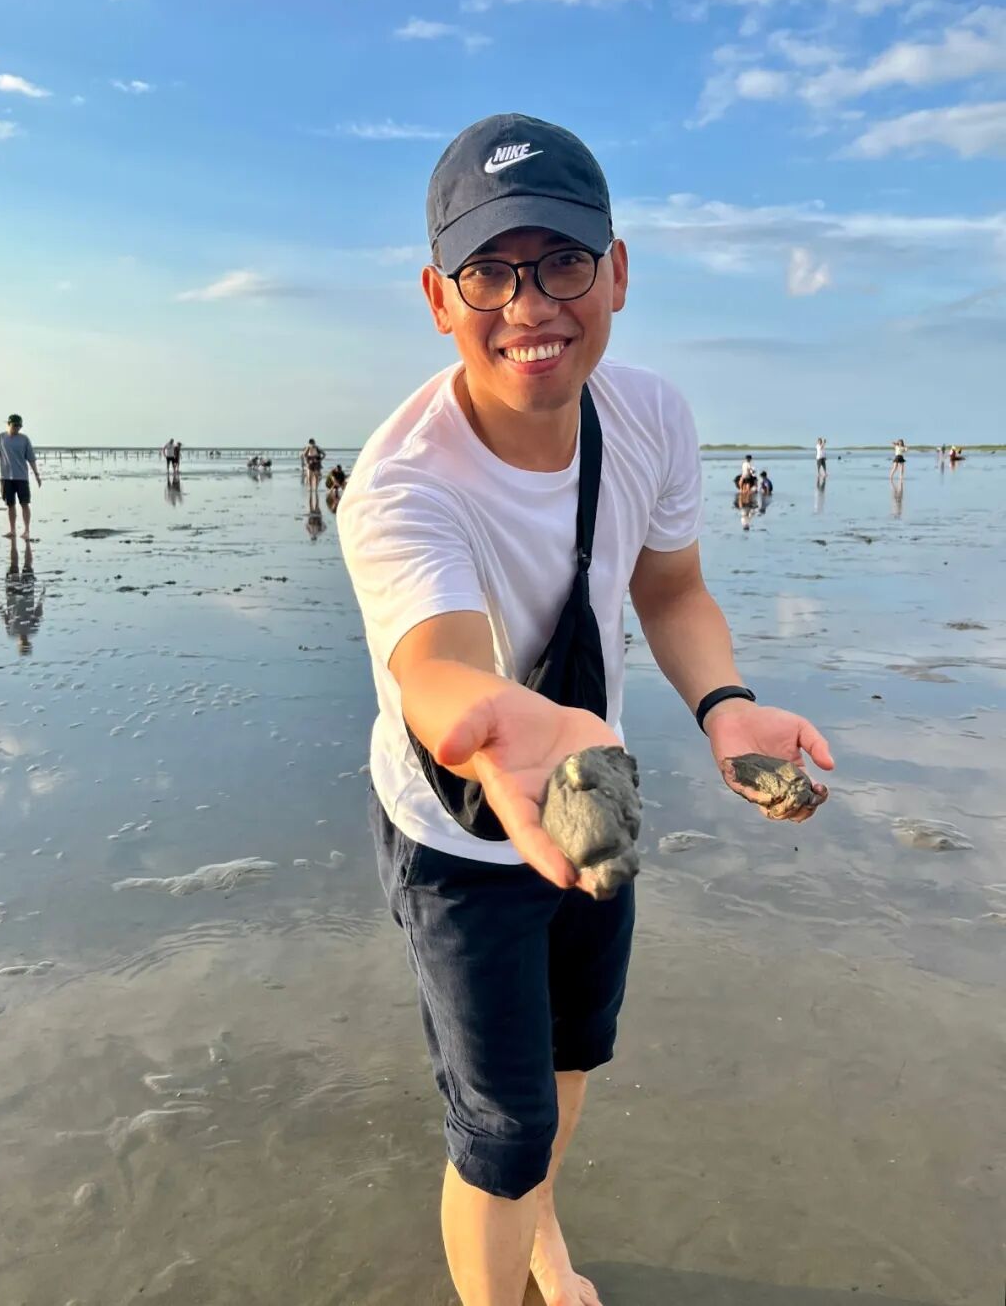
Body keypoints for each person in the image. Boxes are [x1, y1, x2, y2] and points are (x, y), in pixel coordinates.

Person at [338, 113, 833, 1306]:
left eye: (561, 261)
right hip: (463, 820)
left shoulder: (651, 416)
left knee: (571, 1054)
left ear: (616, 271)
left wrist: (724, 704)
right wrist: (498, 718)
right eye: (489, 271)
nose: (530, 305)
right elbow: (434, 666)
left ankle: (541, 1229)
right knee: (500, 1127)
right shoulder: (400, 481)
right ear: (438, 296)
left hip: (592, 782)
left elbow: (672, 588)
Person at [0, 413, 42, 540]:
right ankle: (12, 530)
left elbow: (31, 459)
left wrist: (37, 475)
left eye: (19, 426)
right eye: (15, 425)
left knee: (24, 503)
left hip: (21, 477)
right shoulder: (1, 438)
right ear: (8, 424)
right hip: (6, 477)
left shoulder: (24, 439)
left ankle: (26, 530)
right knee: (10, 504)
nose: (17, 428)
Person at [0, 540, 44, 654]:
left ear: (19, 645)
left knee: (15, 565)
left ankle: (15, 541)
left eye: (23, 644)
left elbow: (4, 616)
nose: (24, 641)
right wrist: (42, 596)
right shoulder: (32, 629)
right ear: (29, 643)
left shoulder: (12, 632)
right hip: (26, 593)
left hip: (13, 594)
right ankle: (25, 542)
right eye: (26, 644)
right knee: (26, 565)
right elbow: (39, 611)